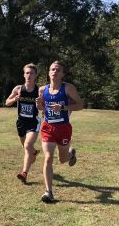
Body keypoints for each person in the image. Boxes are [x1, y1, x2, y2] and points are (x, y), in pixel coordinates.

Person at [35, 61, 83, 203]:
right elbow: (43, 108)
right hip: (48, 127)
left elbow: (80, 105)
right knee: (48, 157)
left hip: (63, 128)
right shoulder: (42, 89)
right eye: (52, 69)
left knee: (62, 159)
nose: (54, 72)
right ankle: (48, 192)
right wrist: (39, 105)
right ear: (48, 72)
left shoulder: (68, 88)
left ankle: (70, 154)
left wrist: (62, 108)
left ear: (62, 74)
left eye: (57, 70)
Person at [5, 63, 41, 183]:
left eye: (31, 73)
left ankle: (24, 173)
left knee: (27, 146)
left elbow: (42, 108)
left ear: (35, 75)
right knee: (25, 146)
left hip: (33, 122)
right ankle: (34, 152)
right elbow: (7, 102)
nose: (29, 75)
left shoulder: (39, 91)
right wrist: (14, 99)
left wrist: (38, 104)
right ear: (24, 74)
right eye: (27, 73)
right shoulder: (18, 89)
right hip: (21, 122)